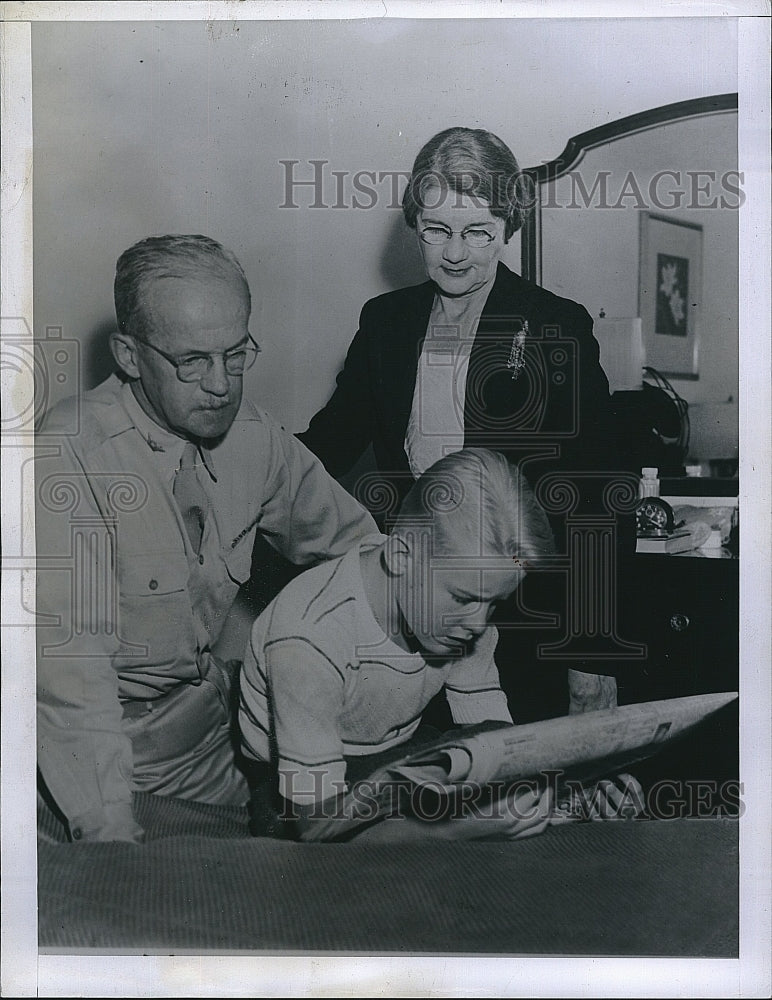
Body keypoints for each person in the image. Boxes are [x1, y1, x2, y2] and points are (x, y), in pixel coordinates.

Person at [35, 234, 378, 844]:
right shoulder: (67, 455)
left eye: (237, 354)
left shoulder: (252, 435)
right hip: (90, 758)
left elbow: (361, 555)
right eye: (193, 361)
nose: (222, 385)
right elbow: (68, 672)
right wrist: (105, 824)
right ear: (129, 356)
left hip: (209, 737)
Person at [298, 126, 634, 724]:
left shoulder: (555, 324)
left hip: (527, 609)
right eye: (436, 231)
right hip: (410, 604)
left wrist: (592, 648)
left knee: (522, 791)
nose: (455, 253)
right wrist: (234, 453)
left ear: (508, 228)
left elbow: (598, 492)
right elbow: (326, 444)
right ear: (416, 227)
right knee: (420, 786)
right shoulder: (385, 323)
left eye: (478, 232)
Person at [238, 448, 558, 842]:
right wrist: (457, 828)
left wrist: (540, 790)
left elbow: (492, 734)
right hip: (295, 792)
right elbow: (314, 824)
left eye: (494, 603)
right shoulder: (309, 635)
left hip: (393, 759)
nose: (478, 622)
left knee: (513, 758)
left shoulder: (464, 614)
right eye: (463, 597)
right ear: (401, 555)